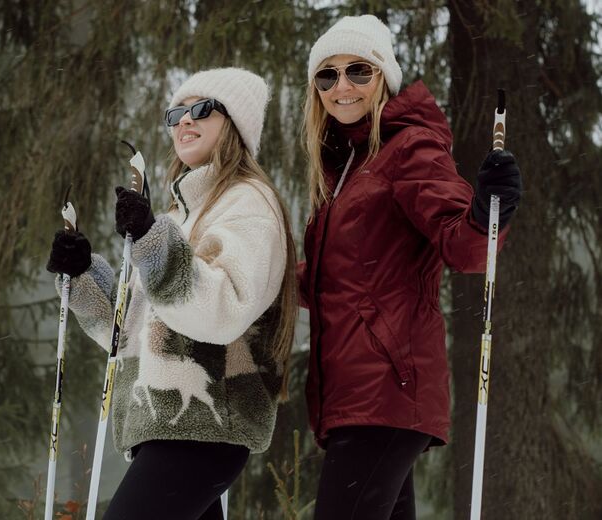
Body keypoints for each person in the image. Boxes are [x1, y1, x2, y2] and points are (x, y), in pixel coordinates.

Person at [46, 67, 297, 520]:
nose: (184, 120)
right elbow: (130, 334)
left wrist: (150, 238)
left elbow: (221, 310)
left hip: (204, 429)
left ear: (235, 124)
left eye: (201, 109)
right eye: (176, 112)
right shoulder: (180, 215)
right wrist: (84, 274)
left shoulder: (248, 203)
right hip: (168, 426)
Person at [298, 15, 522, 520]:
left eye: (359, 70)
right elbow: (334, 276)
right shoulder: (346, 169)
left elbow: (465, 248)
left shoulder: (408, 149)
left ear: (385, 77)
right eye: (326, 75)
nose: (342, 86)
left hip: (386, 385)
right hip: (359, 397)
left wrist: (491, 209)